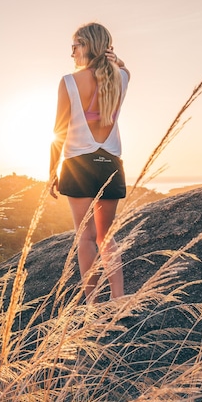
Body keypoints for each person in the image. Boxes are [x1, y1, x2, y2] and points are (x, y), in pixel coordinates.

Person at [49, 22, 129, 301]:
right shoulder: (122, 77)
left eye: (75, 46)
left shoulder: (69, 82)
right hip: (110, 166)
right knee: (106, 237)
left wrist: (51, 172)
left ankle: (93, 307)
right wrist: (115, 60)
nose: (71, 53)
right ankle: (118, 300)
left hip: (78, 166)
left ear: (88, 46)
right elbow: (124, 68)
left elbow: (58, 133)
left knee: (85, 237)